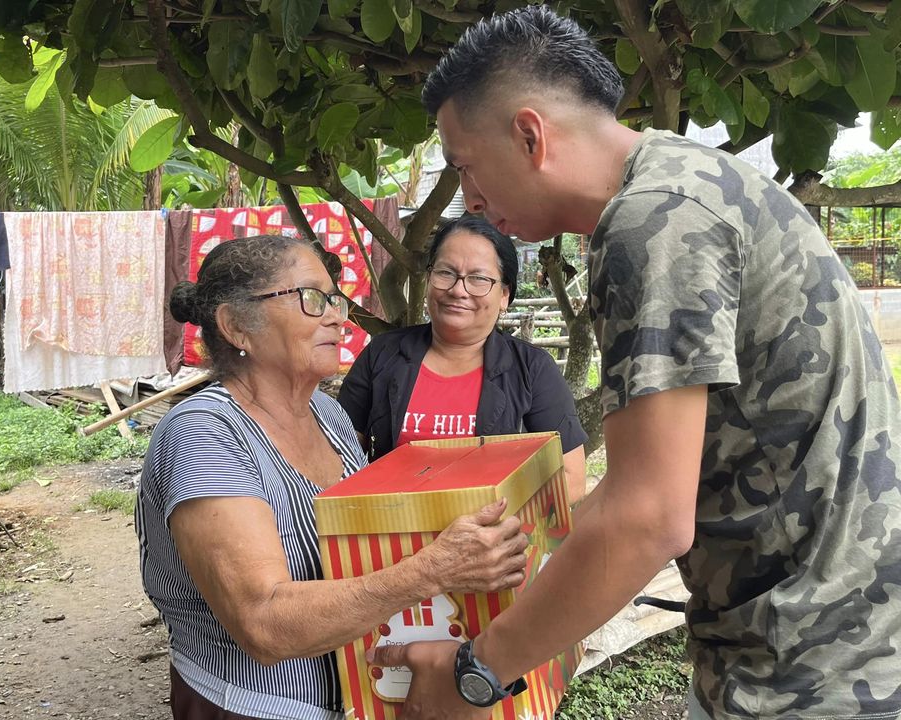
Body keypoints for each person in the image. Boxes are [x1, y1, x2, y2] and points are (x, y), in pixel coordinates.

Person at [366, 7, 901, 720]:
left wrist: (475, 674)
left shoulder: (654, 222)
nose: (469, 198)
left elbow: (648, 518)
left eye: (465, 165)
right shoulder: (690, 178)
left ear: (529, 135)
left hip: (812, 667)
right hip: (829, 637)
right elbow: (643, 486)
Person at [135, 235, 529, 720]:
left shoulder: (326, 414)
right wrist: (433, 570)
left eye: (335, 299)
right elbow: (264, 624)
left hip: (352, 695)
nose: (337, 317)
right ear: (236, 325)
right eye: (311, 298)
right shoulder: (204, 435)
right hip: (255, 707)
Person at [338, 215, 588, 504]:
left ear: (504, 295)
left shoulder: (532, 369)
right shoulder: (382, 354)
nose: (458, 290)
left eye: (478, 278)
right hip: (392, 526)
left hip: (492, 528)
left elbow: (571, 478)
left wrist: (484, 520)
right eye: (446, 273)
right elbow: (340, 459)